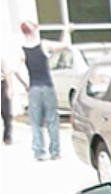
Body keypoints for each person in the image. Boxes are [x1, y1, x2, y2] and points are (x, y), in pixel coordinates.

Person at [20, 21, 59, 160]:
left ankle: (39, 152)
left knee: (35, 122)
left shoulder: (22, 50)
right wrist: (66, 32)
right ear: (35, 29)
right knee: (52, 120)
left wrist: (25, 84)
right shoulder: (44, 44)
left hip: (34, 88)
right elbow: (64, 46)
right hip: (47, 86)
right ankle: (55, 152)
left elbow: (14, 70)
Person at [1, 58, 12, 145]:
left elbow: (7, 73)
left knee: (6, 113)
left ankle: (7, 136)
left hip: (1, 85)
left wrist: (9, 88)